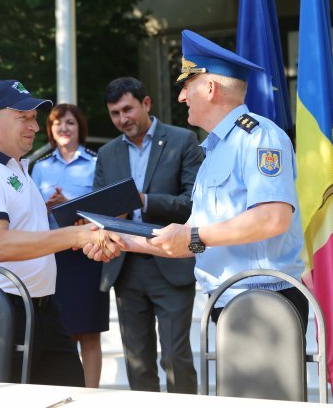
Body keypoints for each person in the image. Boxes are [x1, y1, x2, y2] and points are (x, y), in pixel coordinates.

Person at [88, 30, 308, 328]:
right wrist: (120, 240)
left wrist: (193, 237)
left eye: (186, 86)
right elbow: (187, 237)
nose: (181, 96)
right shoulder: (213, 151)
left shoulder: (258, 137)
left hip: (262, 300)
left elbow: (272, 219)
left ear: (209, 89)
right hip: (229, 300)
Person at [0, 80, 120, 387]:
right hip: (1, 314)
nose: (33, 126)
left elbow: (31, 235)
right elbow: (0, 244)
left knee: (71, 397)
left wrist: (83, 234)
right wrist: (75, 237)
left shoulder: (17, 169)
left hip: (44, 310)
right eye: (23, 117)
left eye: (33, 117)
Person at [93, 77, 204, 394]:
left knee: (174, 358)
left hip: (171, 262)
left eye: (127, 109)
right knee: (137, 362)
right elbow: (98, 208)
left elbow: (193, 203)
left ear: (146, 103)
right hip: (126, 268)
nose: (122, 119)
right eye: (115, 114)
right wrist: (110, 216)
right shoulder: (107, 153)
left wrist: (145, 201)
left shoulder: (183, 140)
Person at [31, 103, 108, 388]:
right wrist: (47, 207)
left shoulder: (96, 162)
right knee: (62, 330)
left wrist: (71, 207)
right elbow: (28, 213)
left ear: (80, 128)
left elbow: (106, 208)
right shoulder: (39, 168)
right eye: (57, 124)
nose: (64, 128)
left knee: (89, 331)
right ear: (50, 131)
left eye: (70, 123)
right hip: (54, 257)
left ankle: (91, 398)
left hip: (88, 255)